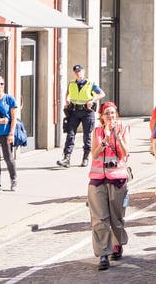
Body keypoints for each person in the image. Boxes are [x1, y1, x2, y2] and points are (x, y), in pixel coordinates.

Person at [86, 102, 130, 270]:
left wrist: (117, 138)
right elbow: (94, 154)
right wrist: (103, 141)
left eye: (112, 113)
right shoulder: (97, 131)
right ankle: (103, 254)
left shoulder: (124, 128)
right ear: (102, 117)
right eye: (107, 114)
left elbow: (124, 153)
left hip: (117, 179)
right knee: (99, 219)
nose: (110, 117)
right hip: (97, 179)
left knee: (116, 219)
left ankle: (117, 243)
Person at [59, 64, 104, 168]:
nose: (78, 73)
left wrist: (92, 100)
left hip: (87, 112)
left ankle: (85, 158)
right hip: (74, 112)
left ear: (83, 72)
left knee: (87, 135)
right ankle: (67, 158)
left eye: (79, 71)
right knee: (70, 134)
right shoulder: (71, 84)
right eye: (76, 72)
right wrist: (67, 100)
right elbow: (67, 93)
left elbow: (102, 94)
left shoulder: (90, 84)